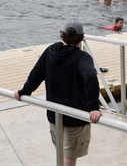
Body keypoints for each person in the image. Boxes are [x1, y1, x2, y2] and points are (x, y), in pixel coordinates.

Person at [14, 22, 102, 166]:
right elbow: (90, 77)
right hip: (76, 117)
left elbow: (36, 74)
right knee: (69, 158)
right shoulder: (82, 57)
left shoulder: (51, 51)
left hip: (54, 114)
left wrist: (24, 91)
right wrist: (93, 107)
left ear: (62, 36)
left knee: (61, 154)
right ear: (82, 38)